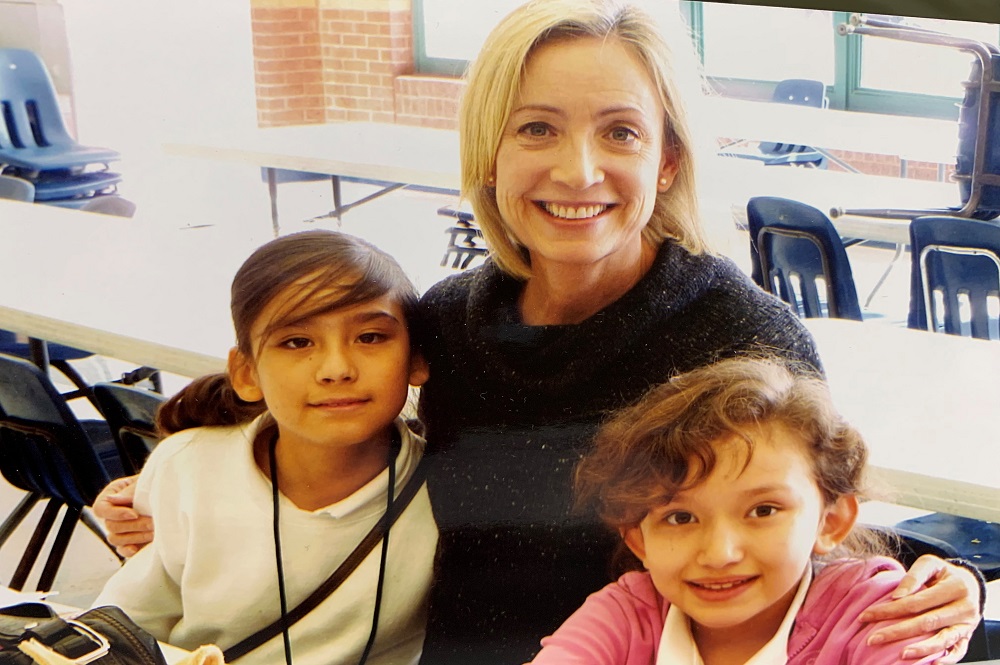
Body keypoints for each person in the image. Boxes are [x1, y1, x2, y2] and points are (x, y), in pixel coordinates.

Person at [94, 1, 983, 663]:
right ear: (489, 151)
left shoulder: (736, 332)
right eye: (538, 129)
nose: (579, 169)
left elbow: (806, 519)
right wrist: (167, 491)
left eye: (621, 133)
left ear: (667, 158)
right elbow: (326, 421)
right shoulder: (445, 319)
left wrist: (951, 577)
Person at [94, 230, 436, 665]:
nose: (336, 369)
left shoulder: (446, 489)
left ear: (417, 358)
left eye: (370, 337)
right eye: (297, 342)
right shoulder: (190, 466)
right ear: (246, 371)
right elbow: (122, 627)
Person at [532, 356, 943, 664]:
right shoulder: (627, 616)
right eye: (680, 517)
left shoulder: (875, 610)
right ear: (639, 539)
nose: (720, 554)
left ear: (830, 520)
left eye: (763, 510)